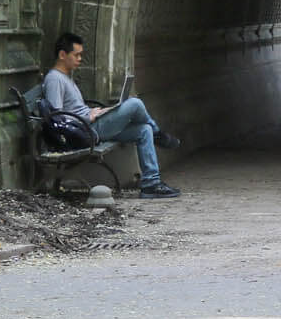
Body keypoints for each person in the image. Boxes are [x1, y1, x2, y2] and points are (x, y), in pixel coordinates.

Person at [44, 32, 182, 198]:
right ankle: (158, 134)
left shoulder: (65, 77)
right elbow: (56, 118)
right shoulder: (54, 79)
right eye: (77, 55)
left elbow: (73, 109)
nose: (80, 59)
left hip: (91, 123)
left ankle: (151, 184)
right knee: (135, 103)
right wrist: (88, 117)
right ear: (62, 54)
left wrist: (93, 111)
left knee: (144, 129)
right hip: (88, 130)